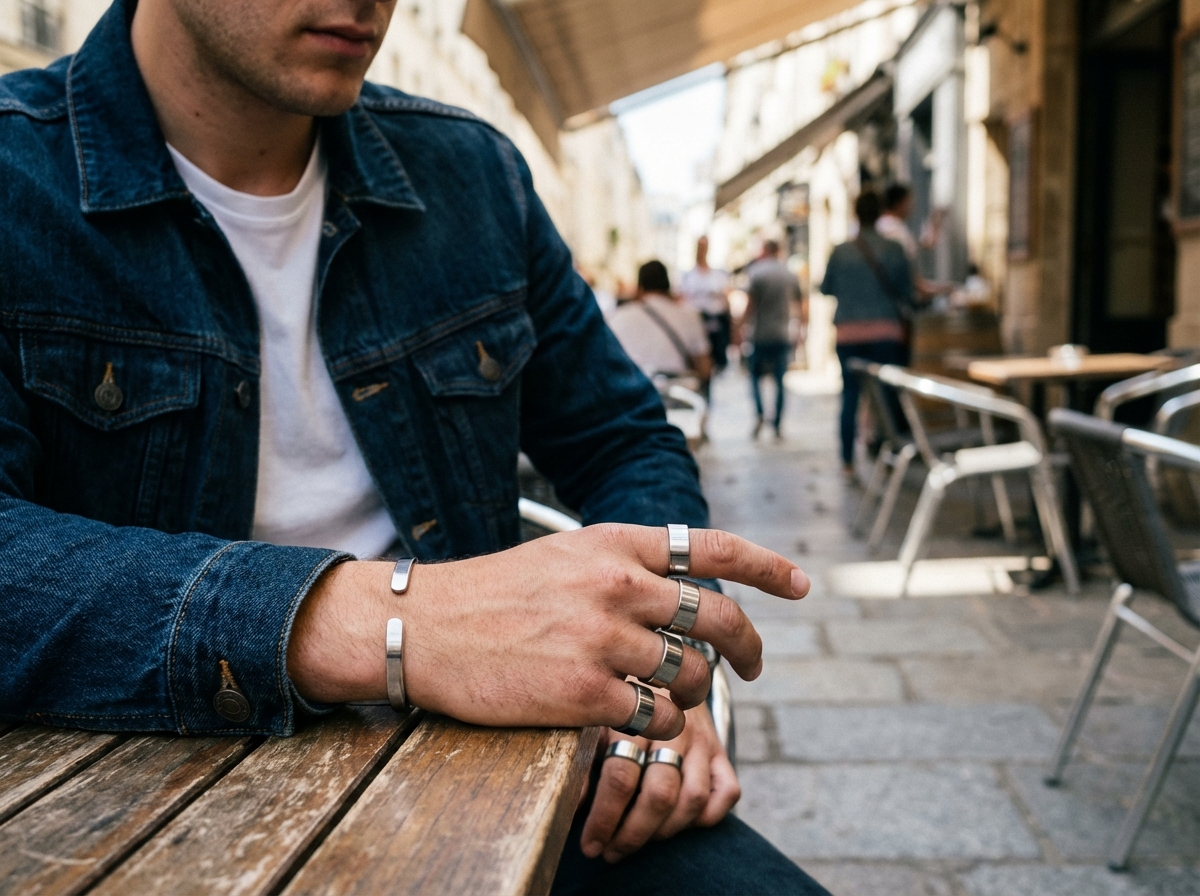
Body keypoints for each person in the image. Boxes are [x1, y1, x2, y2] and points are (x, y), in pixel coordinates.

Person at [0, 1, 829, 893]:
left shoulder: (471, 174)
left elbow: (620, 436)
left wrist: (650, 652)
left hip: (511, 774)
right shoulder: (19, 180)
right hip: (125, 796)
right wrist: (391, 622)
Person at [821, 190, 915, 478]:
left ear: (856, 215)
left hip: (848, 334)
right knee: (886, 398)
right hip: (886, 333)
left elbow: (827, 288)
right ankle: (887, 460)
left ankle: (848, 462)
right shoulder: (895, 249)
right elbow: (907, 291)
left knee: (850, 396)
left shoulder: (840, 251)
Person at [608, 261, 713, 385]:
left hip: (634, 393)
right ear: (668, 287)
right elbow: (705, 369)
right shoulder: (690, 316)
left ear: (639, 288)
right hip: (679, 394)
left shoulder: (617, 317)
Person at [745, 239, 802, 439]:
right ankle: (777, 423)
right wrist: (801, 331)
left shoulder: (756, 272)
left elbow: (749, 306)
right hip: (782, 333)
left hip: (760, 334)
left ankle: (760, 413)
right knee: (780, 380)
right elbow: (801, 305)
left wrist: (740, 330)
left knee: (754, 378)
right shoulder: (789, 274)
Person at [680, 236, 732, 373]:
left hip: (715, 323)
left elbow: (725, 301)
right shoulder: (687, 277)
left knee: (716, 360)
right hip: (696, 322)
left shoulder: (718, 275)